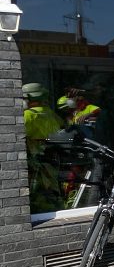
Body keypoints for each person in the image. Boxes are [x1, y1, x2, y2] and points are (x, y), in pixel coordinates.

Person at [22, 83, 64, 212]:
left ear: (29, 98)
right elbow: (61, 127)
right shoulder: (50, 113)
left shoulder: (28, 115)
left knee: (35, 189)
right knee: (51, 186)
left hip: (34, 157)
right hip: (51, 156)